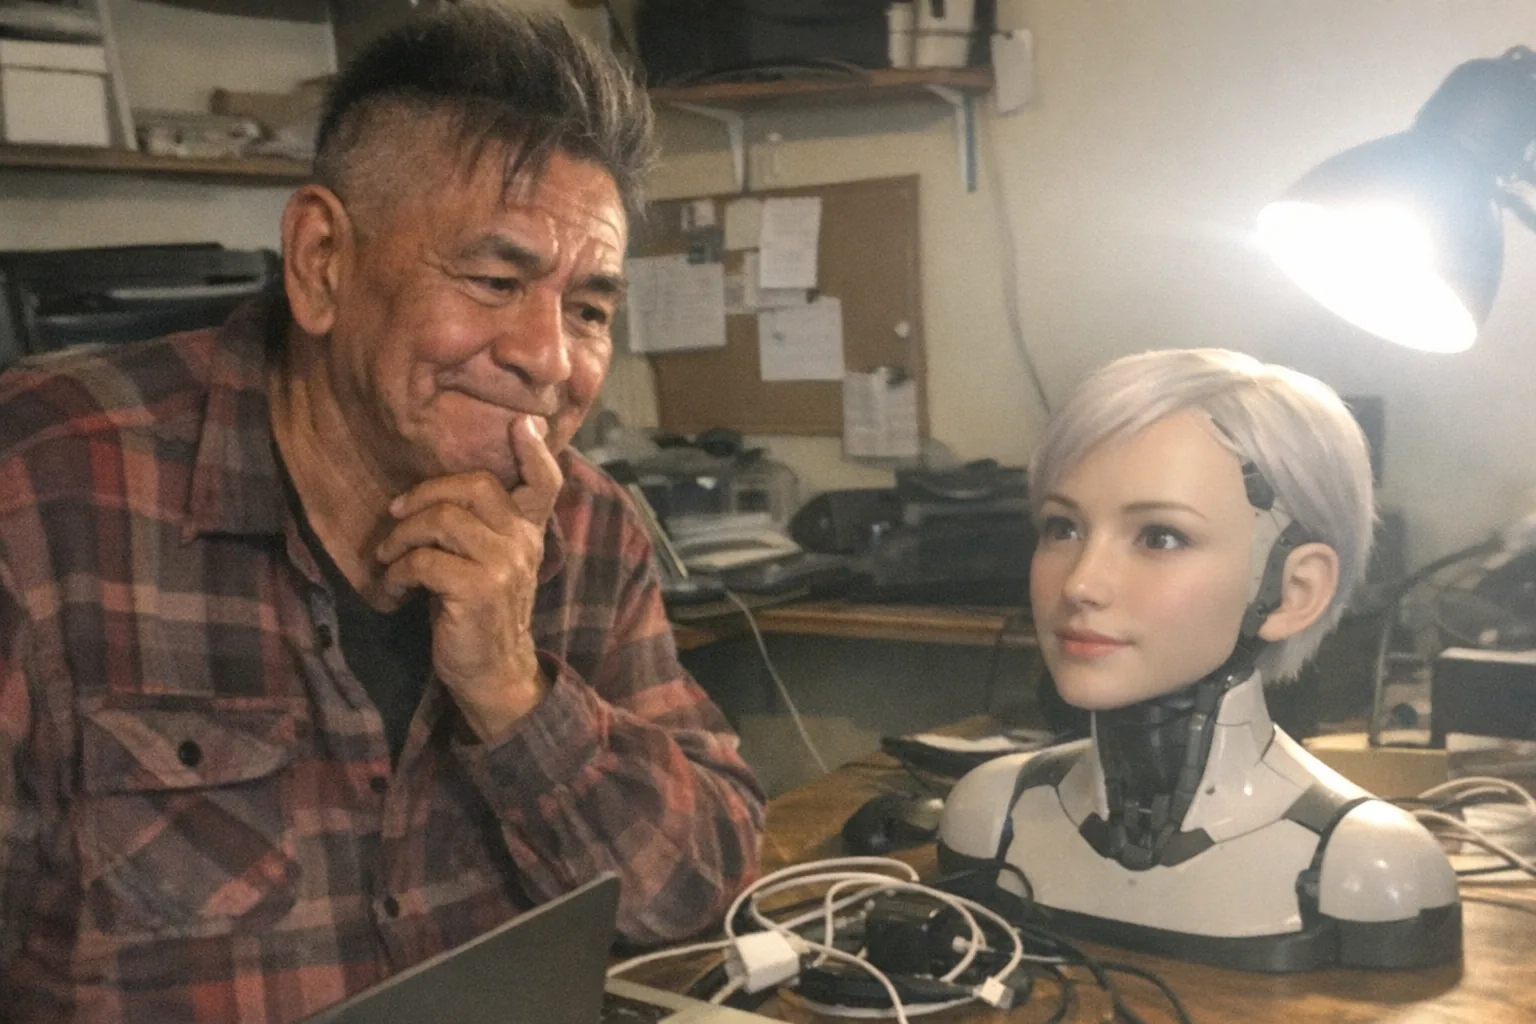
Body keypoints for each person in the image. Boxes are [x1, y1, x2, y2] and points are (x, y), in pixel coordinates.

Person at [0, 8, 765, 1021]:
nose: (549, 356)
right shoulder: (43, 498)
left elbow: (702, 894)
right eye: (496, 281)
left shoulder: (585, 529)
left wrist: (514, 691)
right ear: (322, 261)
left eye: (589, 308)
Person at [939, 348, 1460, 971]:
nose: (1080, 584)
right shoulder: (994, 816)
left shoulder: (1366, 866)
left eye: (1160, 536)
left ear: (1294, 590)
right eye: (1062, 528)